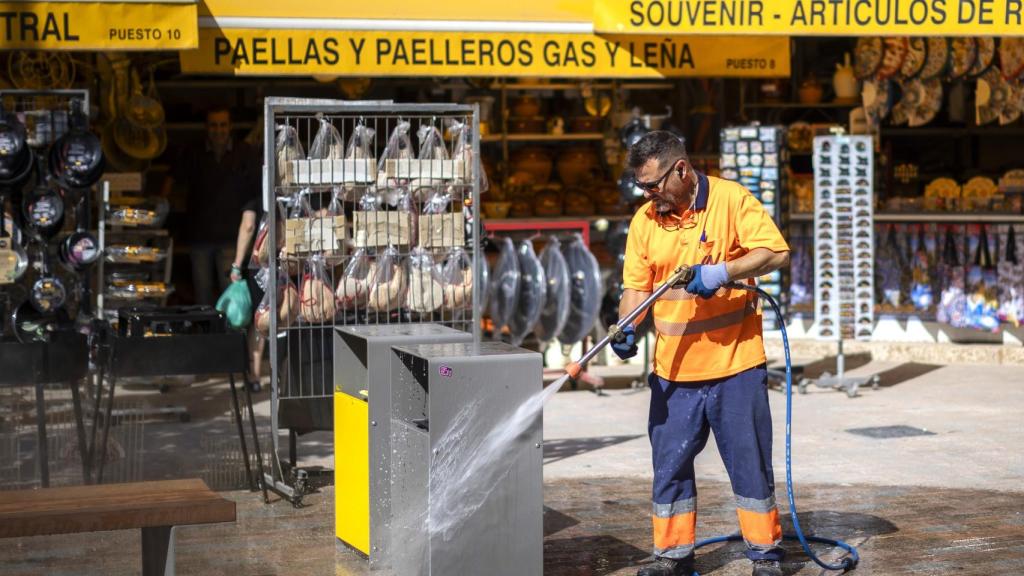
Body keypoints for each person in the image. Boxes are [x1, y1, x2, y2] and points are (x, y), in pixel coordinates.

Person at [613, 131, 790, 576]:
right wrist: (626, 325)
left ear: (682, 170)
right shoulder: (645, 221)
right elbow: (635, 285)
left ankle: (765, 553)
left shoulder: (731, 200)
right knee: (669, 467)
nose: (650, 195)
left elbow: (775, 251)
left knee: (749, 466)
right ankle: (672, 556)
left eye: (655, 185)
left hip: (736, 366)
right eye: (642, 188)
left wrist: (722, 271)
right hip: (673, 371)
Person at [163, 107, 257, 306]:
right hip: (200, 239)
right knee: (203, 298)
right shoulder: (193, 153)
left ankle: (229, 337)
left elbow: (256, 189)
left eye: (223, 125)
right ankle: (207, 335)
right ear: (206, 128)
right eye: (214, 125)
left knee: (231, 299)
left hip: (231, 239)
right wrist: (162, 205)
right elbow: (172, 178)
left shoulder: (244, 153)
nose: (218, 130)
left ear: (230, 127)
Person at [230, 195, 265, 393]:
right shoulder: (288, 186)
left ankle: (255, 375)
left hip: (260, 263)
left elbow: (248, 226)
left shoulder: (254, 189)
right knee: (287, 316)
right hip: (290, 261)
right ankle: (285, 374)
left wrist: (237, 264)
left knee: (260, 321)